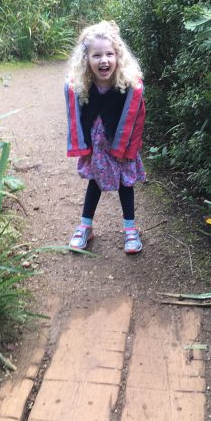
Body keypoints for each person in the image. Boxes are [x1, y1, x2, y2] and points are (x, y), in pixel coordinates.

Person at [65, 20, 146, 254]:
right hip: (97, 148)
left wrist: (129, 149)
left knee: (125, 184)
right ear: (86, 59)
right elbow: (78, 119)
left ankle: (130, 229)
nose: (104, 60)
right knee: (95, 182)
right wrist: (85, 149)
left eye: (109, 54)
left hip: (120, 146)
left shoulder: (126, 86)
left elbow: (136, 120)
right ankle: (85, 227)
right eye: (96, 55)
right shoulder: (83, 87)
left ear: (118, 56)